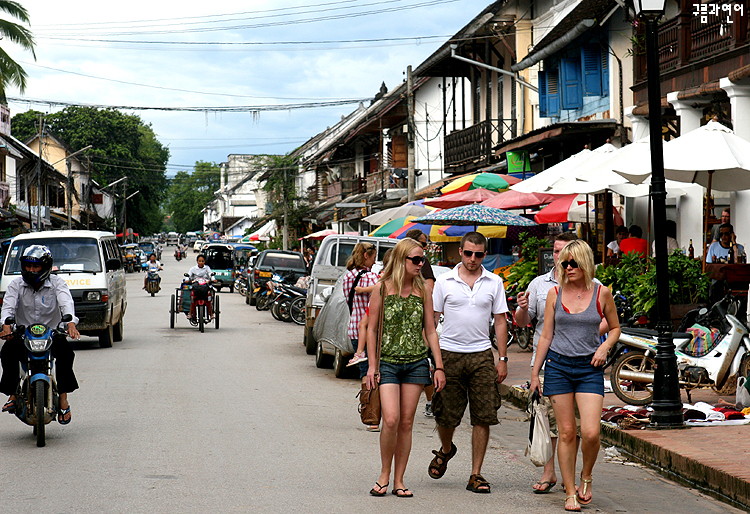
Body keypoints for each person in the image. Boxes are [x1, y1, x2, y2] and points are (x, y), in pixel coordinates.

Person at [529, 240, 620, 512]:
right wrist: (535, 373)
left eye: (573, 263)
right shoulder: (555, 294)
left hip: (589, 368)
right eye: (564, 263)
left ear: (585, 264)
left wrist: (604, 347)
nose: (567, 268)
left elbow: (615, 328)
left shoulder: (601, 293)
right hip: (558, 367)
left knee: (591, 433)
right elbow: (546, 336)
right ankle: (569, 491)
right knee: (567, 432)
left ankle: (586, 476)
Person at [365, 238, 445, 498]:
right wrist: (371, 366)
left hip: (415, 363)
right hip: (388, 362)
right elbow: (372, 329)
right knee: (390, 419)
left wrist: (439, 366)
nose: (421, 265)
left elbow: (431, 331)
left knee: (407, 422)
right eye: (416, 260)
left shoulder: (423, 290)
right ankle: (384, 473)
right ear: (401, 260)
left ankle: (399, 479)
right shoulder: (382, 288)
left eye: (423, 260)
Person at [429, 232, 508, 494]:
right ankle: (447, 448)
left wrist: (503, 358)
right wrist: (435, 361)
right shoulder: (444, 281)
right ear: (459, 252)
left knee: (483, 414)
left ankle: (476, 473)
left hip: (481, 354)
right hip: (449, 352)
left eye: (479, 254)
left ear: (485, 255)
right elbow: (432, 321)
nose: (473, 259)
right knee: (446, 415)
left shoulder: (494, 282)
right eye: (468, 253)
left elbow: (499, 321)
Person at [515, 232, 578, 494]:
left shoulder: (590, 284)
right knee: (547, 418)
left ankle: (569, 476)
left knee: (572, 423)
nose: (558, 256)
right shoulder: (539, 284)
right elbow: (522, 322)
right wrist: (521, 307)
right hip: (545, 359)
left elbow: (607, 320)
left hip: (577, 361)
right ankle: (549, 472)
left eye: (564, 251)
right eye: (555, 251)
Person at [0, 245, 80, 425]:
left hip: (52, 334)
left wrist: (70, 324)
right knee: (7, 352)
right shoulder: (16, 285)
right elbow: (8, 306)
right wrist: (6, 324)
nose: (31, 270)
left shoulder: (57, 283)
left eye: (36, 266)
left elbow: (66, 303)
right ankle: (13, 394)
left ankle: (63, 399)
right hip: (23, 334)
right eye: (28, 266)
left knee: (67, 354)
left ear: (45, 267)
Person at [403, 228, 436, 418]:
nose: (425, 249)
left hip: (422, 323)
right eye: (423, 243)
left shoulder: (423, 265)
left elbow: (429, 287)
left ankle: (431, 401)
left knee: (426, 362)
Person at [343, 243, 378, 369]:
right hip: (370, 330)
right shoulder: (370, 277)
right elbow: (382, 290)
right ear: (366, 256)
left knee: (363, 371)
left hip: (353, 328)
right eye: (374, 258)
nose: (374, 262)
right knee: (371, 371)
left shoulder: (348, 276)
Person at [187, 254, 214, 320]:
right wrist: (187, 280)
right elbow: (188, 275)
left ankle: (211, 314)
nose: (201, 262)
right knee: (192, 298)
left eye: (202, 261)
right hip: (196, 285)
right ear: (197, 261)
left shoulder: (207, 268)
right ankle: (190, 313)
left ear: (204, 262)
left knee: (209, 298)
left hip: (205, 285)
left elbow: (211, 274)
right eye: (199, 261)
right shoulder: (193, 269)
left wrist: (213, 279)